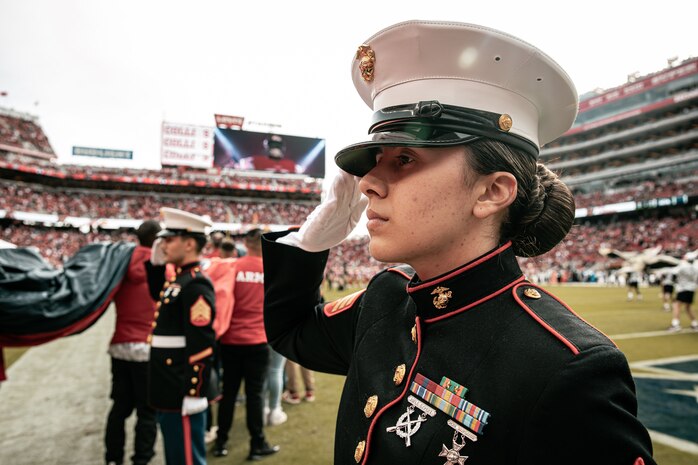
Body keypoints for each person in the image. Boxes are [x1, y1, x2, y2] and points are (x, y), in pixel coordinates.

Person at [261, 20, 657, 465]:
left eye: (405, 158)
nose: (368, 182)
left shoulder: (563, 366)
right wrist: (310, 241)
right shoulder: (386, 300)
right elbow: (290, 332)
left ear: (492, 192)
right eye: (376, 160)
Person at [145, 207, 217, 465]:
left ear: (189, 244)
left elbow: (202, 342)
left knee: (186, 459)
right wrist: (155, 265)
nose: (163, 244)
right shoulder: (179, 280)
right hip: (168, 384)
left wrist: (194, 391)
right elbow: (159, 297)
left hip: (180, 387)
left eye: (169, 239)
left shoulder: (195, 284)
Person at [213, 228, 280, 460]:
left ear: (246, 243)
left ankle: (221, 442)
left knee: (228, 393)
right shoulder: (271, 271)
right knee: (255, 395)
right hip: (257, 340)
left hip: (230, 339)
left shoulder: (233, 267)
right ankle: (256, 444)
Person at [105, 220, 161, 465]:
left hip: (120, 344)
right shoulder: (161, 266)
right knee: (147, 411)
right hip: (147, 346)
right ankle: (142, 459)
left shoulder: (120, 264)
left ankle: (113, 458)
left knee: (120, 408)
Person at [668, 253, 698, 332]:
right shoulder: (695, 268)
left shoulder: (682, 266)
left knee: (676, 305)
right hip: (691, 289)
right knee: (688, 307)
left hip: (683, 289)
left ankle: (676, 324)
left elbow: (673, 272)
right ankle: (695, 324)